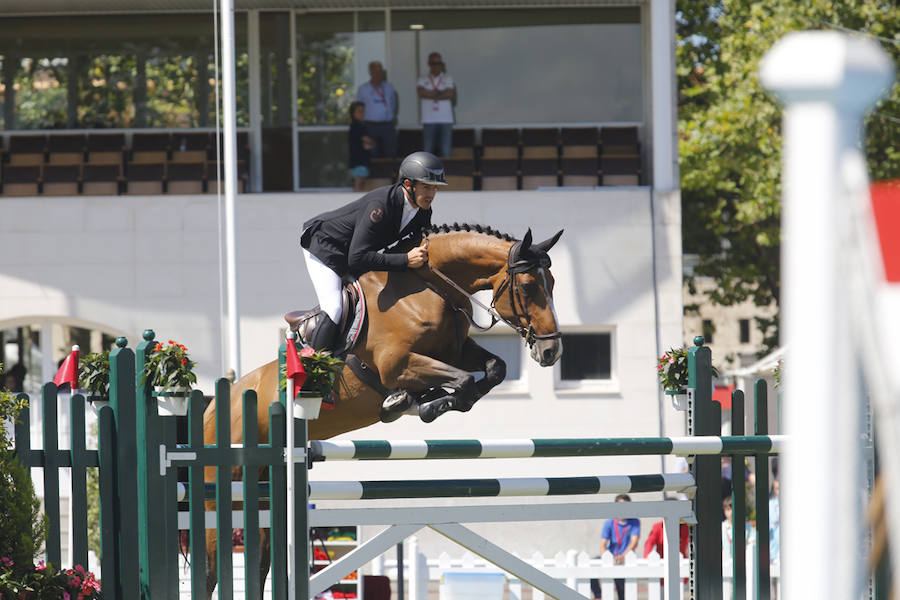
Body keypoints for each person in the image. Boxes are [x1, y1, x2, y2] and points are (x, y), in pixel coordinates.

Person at [299, 151, 447, 352]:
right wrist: (404, 260)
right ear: (408, 185)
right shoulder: (380, 206)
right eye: (426, 187)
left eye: (435, 188)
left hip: (353, 252)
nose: (431, 194)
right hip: (324, 245)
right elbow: (358, 258)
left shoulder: (423, 211)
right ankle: (314, 372)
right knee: (334, 307)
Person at [590, 494, 640, 600]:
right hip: (611, 557)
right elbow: (603, 545)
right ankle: (598, 595)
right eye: (621, 506)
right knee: (592, 565)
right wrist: (606, 557)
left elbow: (634, 542)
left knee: (622, 592)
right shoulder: (609, 522)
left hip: (625, 560)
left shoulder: (634, 522)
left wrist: (623, 556)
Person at [416, 52, 456, 158]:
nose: (436, 66)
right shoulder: (422, 78)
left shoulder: (448, 78)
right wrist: (440, 93)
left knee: (445, 150)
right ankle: (429, 174)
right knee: (428, 150)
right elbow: (420, 93)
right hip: (428, 120)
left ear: (441, 64)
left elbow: (449, 94)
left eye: (438, 63)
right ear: (429, 64)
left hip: (446, 119)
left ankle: (447, 173)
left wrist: (429, 93)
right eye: (433, 63)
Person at [356, 60, 397, 158]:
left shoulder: (389, 87)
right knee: (372, 153)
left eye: (380, 71)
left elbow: (393, 104)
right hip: (370, 125)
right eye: (375, 71)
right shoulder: (363, 89)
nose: (378, 74)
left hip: (388, 125)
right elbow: (358, 108)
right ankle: (374, 173)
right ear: (370, 73)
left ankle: (391, 173)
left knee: (391, 152)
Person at [347, 101, 376, 192]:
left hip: (362, 160)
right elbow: (366, 139)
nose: (362, 114)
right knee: (358, 184)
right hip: (358, 161)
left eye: (363, 111)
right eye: (359, 111)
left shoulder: (362, 125)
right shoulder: (356, 126)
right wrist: (372, 143)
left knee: (362, 184)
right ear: (353, 113)